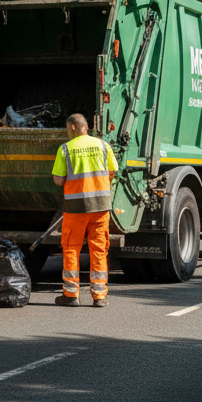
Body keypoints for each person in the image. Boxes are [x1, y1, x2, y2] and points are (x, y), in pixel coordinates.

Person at [50, 113, 117, 308]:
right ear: (86, 127)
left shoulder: (66, 149)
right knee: (99, 249)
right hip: (100, 207)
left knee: (71, 248)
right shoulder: (104, 146)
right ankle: (99, 296)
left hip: (76, 208)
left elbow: (59, 180)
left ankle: (71, 295)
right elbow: (112, 172)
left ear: (72, 127)